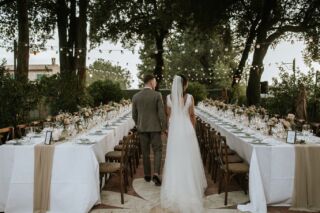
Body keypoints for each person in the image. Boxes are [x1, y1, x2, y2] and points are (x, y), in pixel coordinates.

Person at [160, 74, 207, 213]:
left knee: (175, 158)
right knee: (188, 158)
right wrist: (191, 129)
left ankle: (174, 186)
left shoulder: (168, 98)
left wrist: (170, 130)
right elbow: (192, 115)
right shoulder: (190, 97)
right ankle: (190, 185)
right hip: (187, 130)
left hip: (175, 131)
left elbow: (169, 116)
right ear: (184, 85)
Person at [132, 74, 167, 186]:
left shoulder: (136, 96)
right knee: (157, 150)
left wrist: (139, 124)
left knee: (145, 152)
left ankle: (147, 175)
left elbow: (134, 115)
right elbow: (161, 114)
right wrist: (164, 127)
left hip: (142, 129)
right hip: (155, 128)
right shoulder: (157, 95)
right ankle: (156, 173)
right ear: (151, 82)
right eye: (155, 81)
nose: (156, 83)